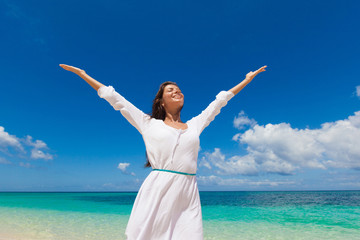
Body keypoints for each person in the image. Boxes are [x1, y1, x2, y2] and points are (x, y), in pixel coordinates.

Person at [59, 64, 267, 240]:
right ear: (161, 101)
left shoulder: (195, 125)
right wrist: (83, 75)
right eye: (171, 90)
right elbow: (115, 98)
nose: (177, 91)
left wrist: (247, 79)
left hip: (188, 191)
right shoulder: (147, 123)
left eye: (179, 89)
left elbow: (219, 102)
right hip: (158, 189)